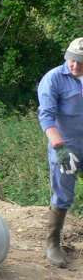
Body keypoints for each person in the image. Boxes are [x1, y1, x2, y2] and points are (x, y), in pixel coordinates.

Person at [37, 37, 83, 267]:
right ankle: (53, 243)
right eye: (72, 60)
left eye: (81, 62)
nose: (75, 66)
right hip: (65, 144)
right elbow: (46, 116)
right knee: (63, 194)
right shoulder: (53, 79)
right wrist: (60, 147)